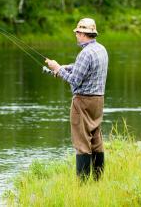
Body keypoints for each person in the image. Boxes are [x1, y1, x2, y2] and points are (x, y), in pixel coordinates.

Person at [45, 18, 108, 181]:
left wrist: (58, 69)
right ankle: (98, 178)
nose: (76, 36)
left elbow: (74, 80)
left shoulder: (85, 53)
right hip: (98, 101)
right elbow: (84, 68)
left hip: (83, 102)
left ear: (84, 34)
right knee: (96, 139)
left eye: (77, 33)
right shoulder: (101, 49)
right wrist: (66, 67)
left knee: (81, 142)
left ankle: (83, 183)